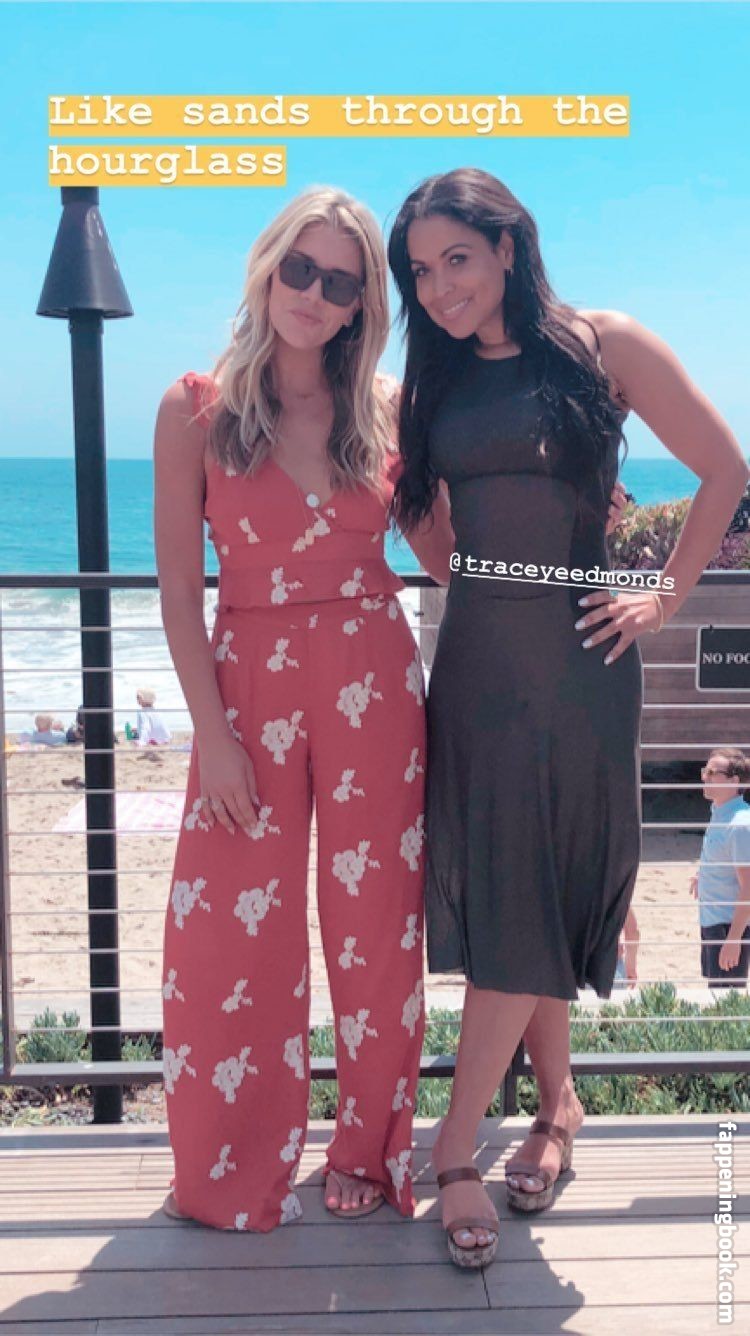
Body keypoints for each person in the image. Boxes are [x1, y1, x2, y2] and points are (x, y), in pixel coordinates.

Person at [387, 167, 749, 1267]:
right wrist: (480, 586)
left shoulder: (605, 344)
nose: (440, 288)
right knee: (515, 883)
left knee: (534, 878)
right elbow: (422, 518)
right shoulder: (437, 373)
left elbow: (726, 469)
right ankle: (559, 1109)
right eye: (420, 271)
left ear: (509, 247)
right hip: (475, 660)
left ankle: (455, 1145)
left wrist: (665, 596)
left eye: (457, 258)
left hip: (582, 660)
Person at [153, 187, 460, 1233]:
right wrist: (213, 737)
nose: (313, 294)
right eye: (300, 268)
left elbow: (445, 558)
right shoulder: (194, 408)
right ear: (267, 266)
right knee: (227, 936)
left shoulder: (387, 411)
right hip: (245, 688)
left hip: (375, 679)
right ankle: (232, 1160)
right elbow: (177, 597)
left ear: (361, 303)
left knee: (377, 933)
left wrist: (554, 526)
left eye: (340, 281)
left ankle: (369, 1151)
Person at [690, 748, 750, 989]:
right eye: (705, 771)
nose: (705, 777)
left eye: (713, 772)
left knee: (725, 998)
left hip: (729, 927)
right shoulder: (721, 813)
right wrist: (703, 876)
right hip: (713, 922)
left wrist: (734, 940)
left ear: (734, 781)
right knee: (715, 994)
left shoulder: (739, 825)